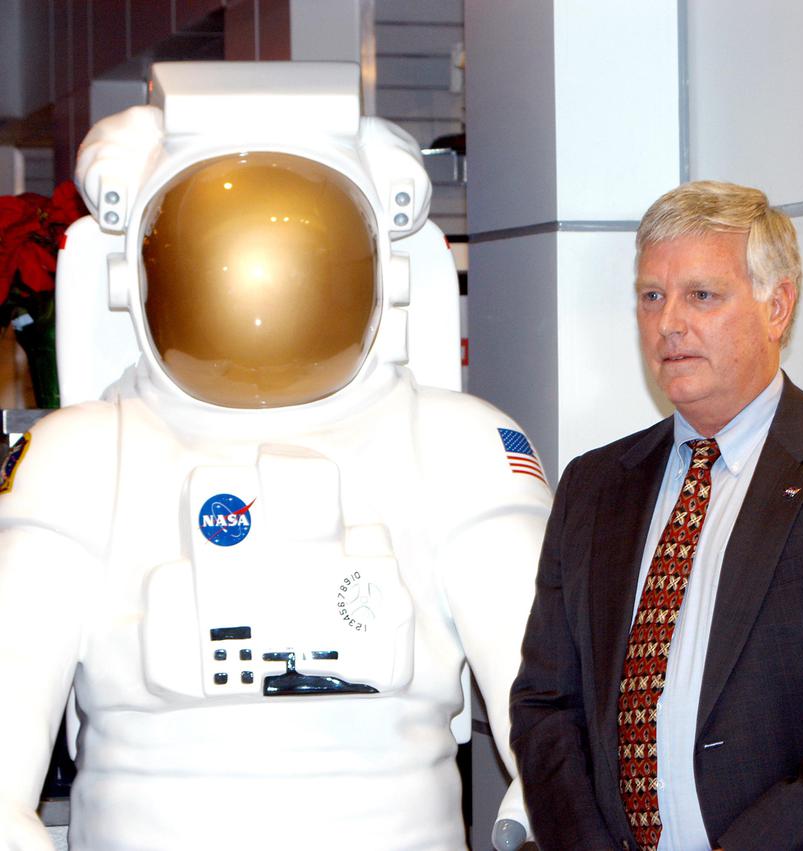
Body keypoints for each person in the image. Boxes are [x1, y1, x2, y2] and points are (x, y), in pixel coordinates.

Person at [0, 63, 547, 849]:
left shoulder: (458, 448)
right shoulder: (79, 460)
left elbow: (541, 688)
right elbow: (14, 671)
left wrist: (547, 797)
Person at [511, 180, 803, 851]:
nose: (669, 323)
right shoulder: (594, 485)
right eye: (651, 296)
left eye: (702, 295)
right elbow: (545, 704)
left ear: (777, 305)